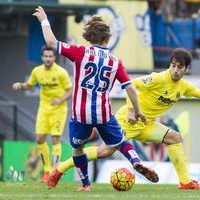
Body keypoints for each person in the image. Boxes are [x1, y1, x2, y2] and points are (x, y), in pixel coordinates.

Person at [50, 48, 200, 190]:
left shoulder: (183, 87)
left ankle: (185, 182)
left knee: (175, 137)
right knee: (104, 152)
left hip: (146, 125)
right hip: (126, 120)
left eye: (179, 67)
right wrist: (130, 109)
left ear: (186, 69)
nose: (175, 69)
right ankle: (60, 169)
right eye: (173, 65)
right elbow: (131, 84)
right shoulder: (158, 78)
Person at [32, 6, 159, 192]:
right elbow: (130, 88)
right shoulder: (115, 62)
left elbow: (51, 42)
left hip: (80, 114)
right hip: (103, 113)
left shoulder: (80, 53)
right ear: (108, 38)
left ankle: (86, 185)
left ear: (90, 37)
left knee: (78, 149)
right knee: (121, 141)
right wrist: (138, 111)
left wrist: (44, 19)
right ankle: (136, 161)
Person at [12, 46, 72, 183]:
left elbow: (70, 91)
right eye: (46, 56)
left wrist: (60, 100)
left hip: (59, 109)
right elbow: (29, 85)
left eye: (50, 56)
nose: (48, 59)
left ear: (54, 58)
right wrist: (20, 85)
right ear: (42, 57)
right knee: (40, 139)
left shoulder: (61, 72)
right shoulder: (37, 71)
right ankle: (46, 171)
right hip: (44, 109)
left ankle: (54, 171)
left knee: (56, 138)